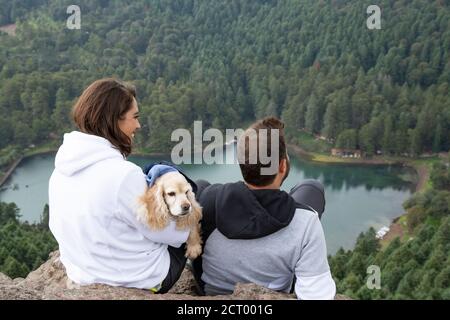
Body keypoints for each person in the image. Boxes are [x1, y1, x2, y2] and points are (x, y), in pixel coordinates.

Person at [49, 78, 189, 293]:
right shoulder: (124, 176)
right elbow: (173, 235)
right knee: (192, 195)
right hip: (141, 278)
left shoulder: (60, 170)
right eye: (135, 117)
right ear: (113, 120)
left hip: (84, 274)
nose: (138, 125)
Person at [192, 117, 336, 300]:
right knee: (312, 188)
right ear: (283, 166)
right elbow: (317, 295)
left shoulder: (209, 200)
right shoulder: (306, 222)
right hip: (274, 294)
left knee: (200, 186)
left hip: (212, 291)